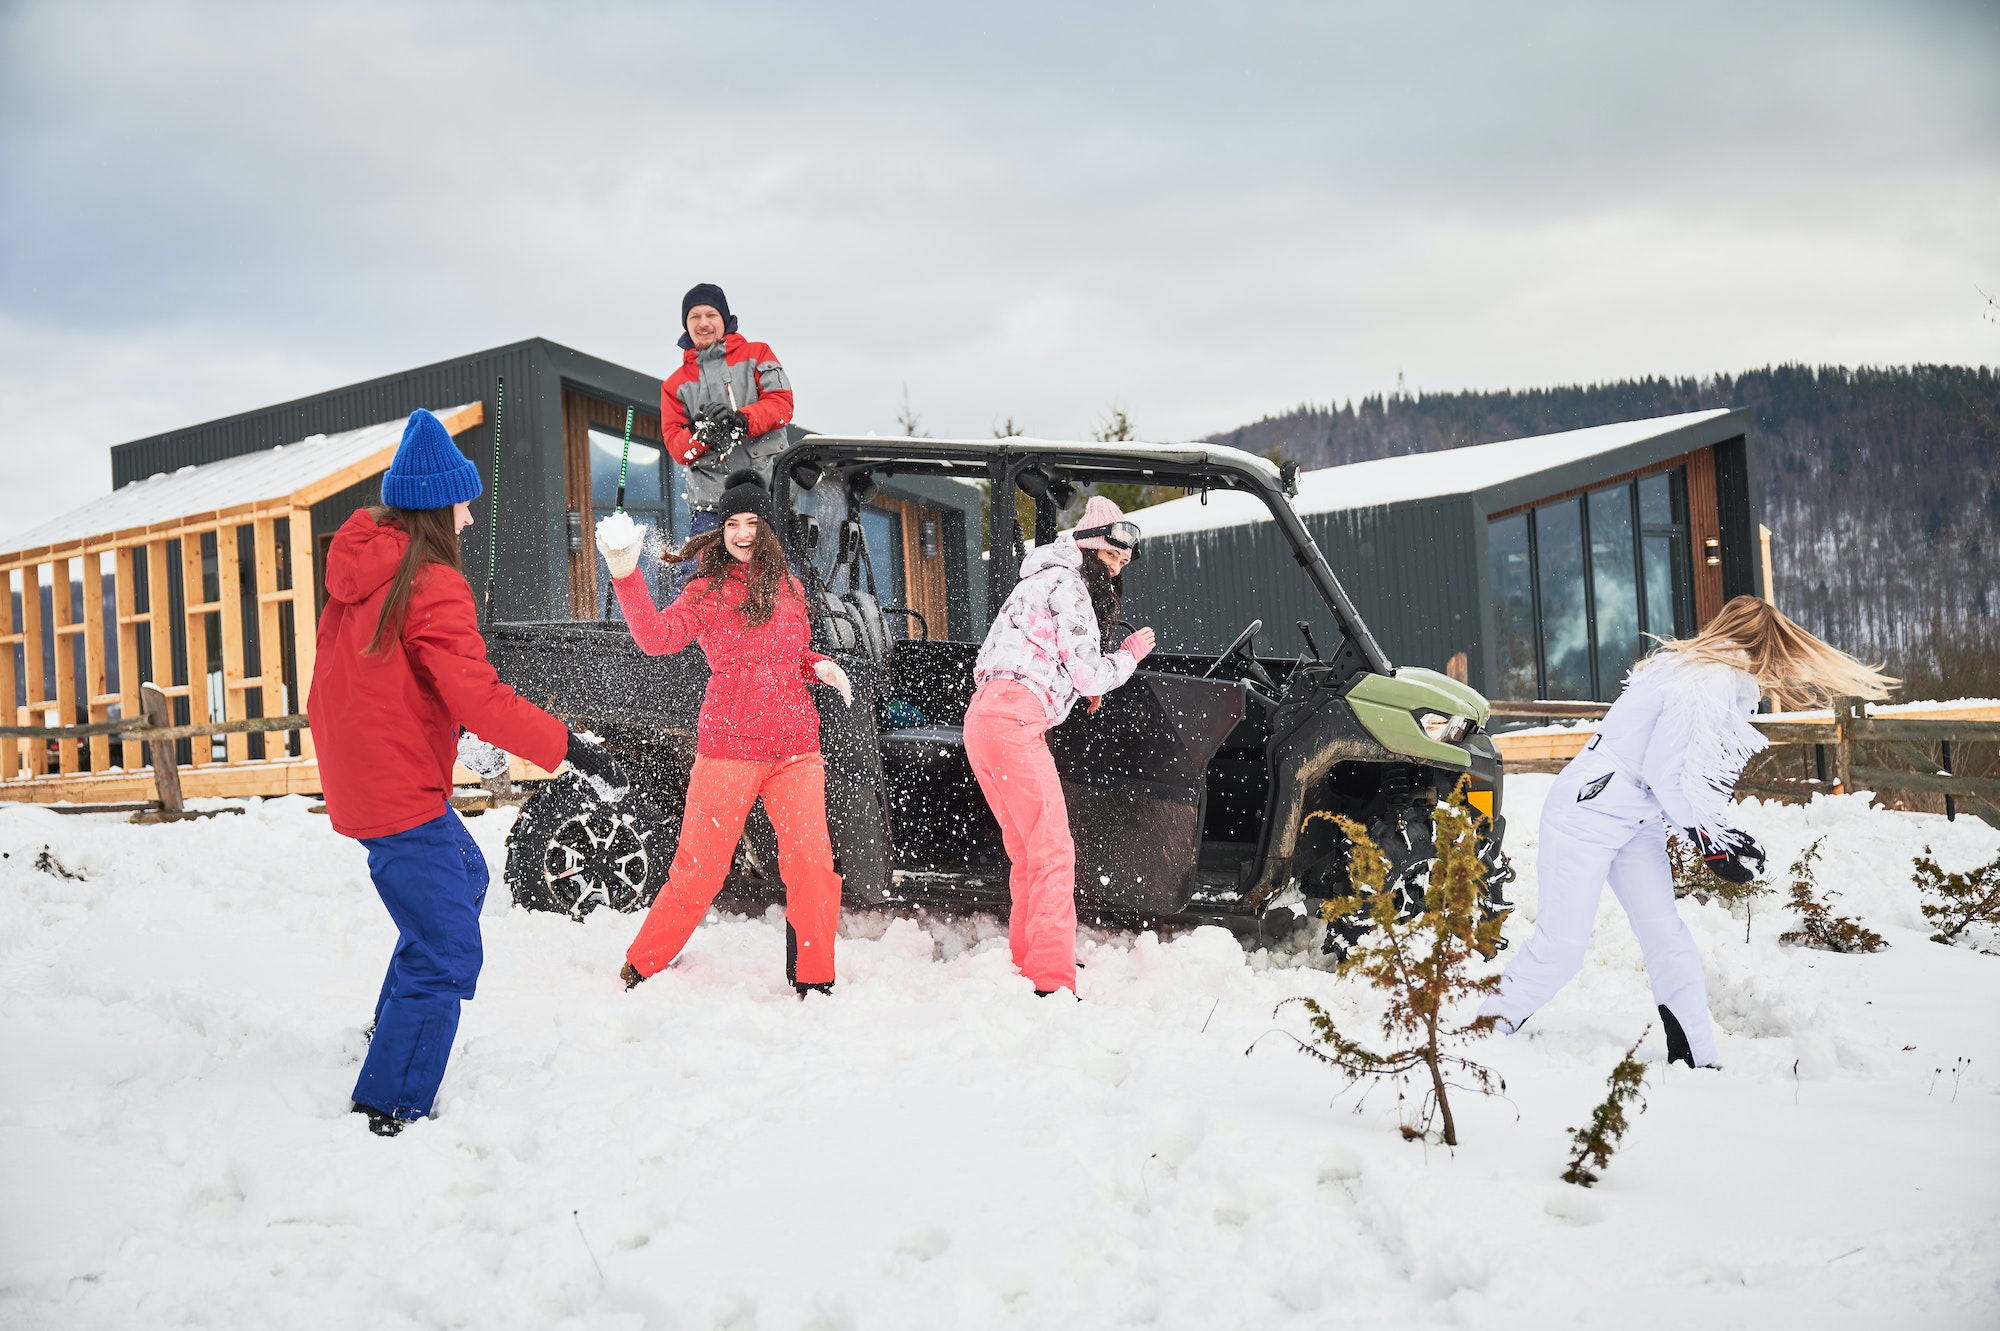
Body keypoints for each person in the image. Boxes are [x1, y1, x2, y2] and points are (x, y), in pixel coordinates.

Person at [310, 409, 629, 1136]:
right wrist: (571, 749)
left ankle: (388, 1031)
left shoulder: (364, 570)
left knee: (464, 876)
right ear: (434, 507)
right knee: (448, 945)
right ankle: (389, 1101)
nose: (471, 517)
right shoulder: (430, 582)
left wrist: (449, 741)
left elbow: (381, 684)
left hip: (366, 776)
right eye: (462, 502)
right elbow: (476, 694)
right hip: (395, 790)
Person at [1479, 596, 1896, 1068]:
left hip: (1634, 812)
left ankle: (1697, 1055)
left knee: (1666, 936)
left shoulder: (1699, 670)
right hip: (1590, 808)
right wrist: (1708, 839)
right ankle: (1483, 1028)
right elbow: (1664, 768)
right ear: (1764, 644)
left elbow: (1679, 772)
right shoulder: (1707, 677)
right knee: (1562, 947)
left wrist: (1721, 835)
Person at [597, 482, 853, 994]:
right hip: (729, 751)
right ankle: (642, 964)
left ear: (768, 530)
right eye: (731, 524)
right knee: (700, 870)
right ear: (720, 531)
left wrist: (819, 665)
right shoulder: (706, 591)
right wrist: (626, 575)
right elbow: (655, 638)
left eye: (752, 524)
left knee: (812, 866)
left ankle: (816, 980)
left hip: (796, 748)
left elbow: (791, 655)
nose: (741, 533)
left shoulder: (791, 589)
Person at [964, 495, 1157, 996]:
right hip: (1015, 720)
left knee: (1028, 852)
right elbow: (1089, 665)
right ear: (1090, 547)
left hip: (985, 718)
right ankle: (1051, 982)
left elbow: (1035, 653)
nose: (1114, 571)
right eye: (1110, 558)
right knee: (1053, 852)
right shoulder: (1070, 586)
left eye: (1121, 563)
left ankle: (1027, 961)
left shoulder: (1038, 580)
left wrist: (1076, 689)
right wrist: (1129, 656)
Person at [661, 282, 795, 530]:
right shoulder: (673, 385)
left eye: (711, 314)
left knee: (779, 569)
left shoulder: (758, 354)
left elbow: (781, 404)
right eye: (695, 316)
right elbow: (677, 448)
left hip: (769, 494)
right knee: (701, 570)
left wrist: (741, 420)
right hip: (711, 508)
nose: (703, 323)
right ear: (686, 325)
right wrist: (702, 434)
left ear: (725, 318)